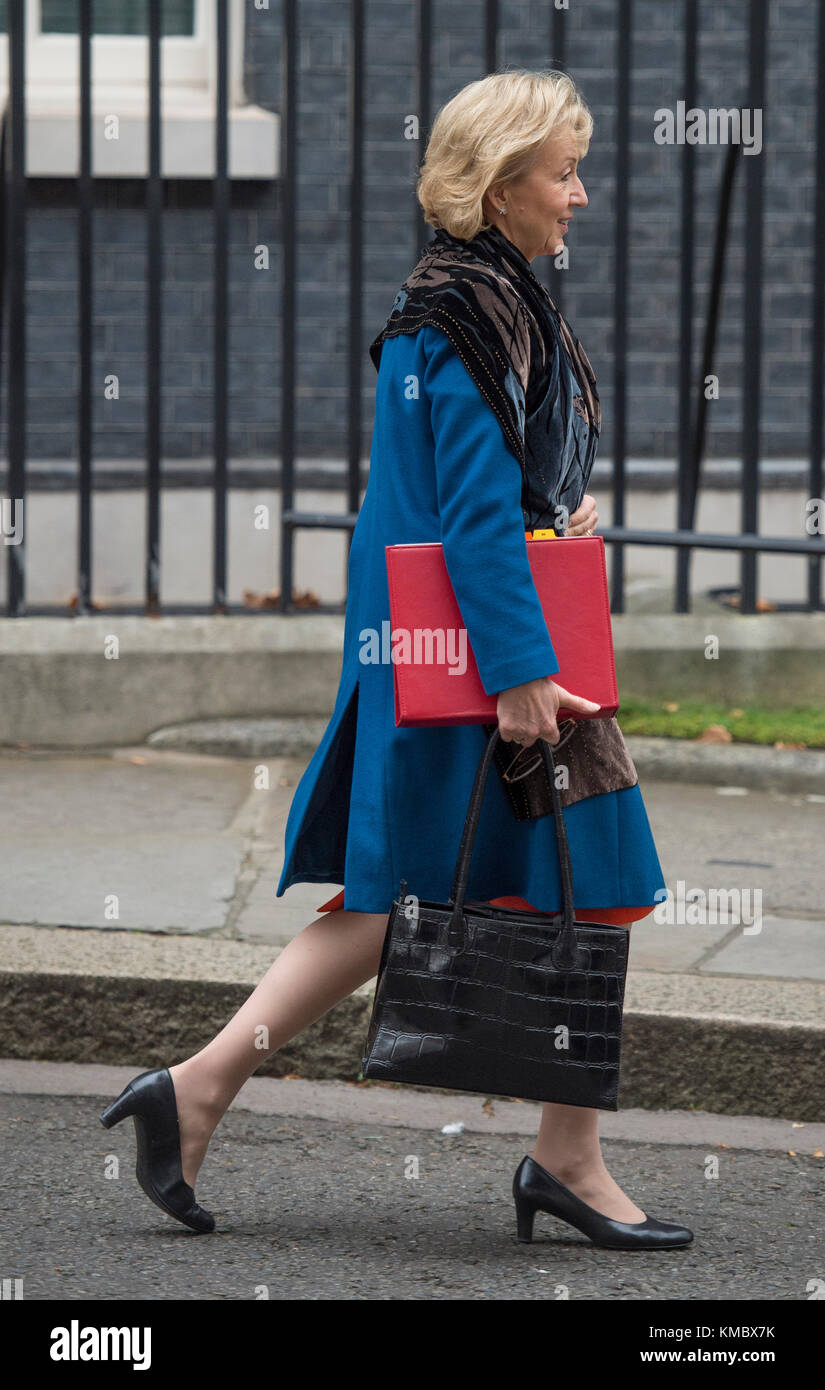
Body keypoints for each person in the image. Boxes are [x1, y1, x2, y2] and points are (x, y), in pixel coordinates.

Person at [98, 69, 692, 1252]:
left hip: (457, 644)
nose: (581, 194)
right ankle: (554, 1155)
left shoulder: (485, 299)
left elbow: (486, 496)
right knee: (547, 875)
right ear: (498, 183)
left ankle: (203, 1090)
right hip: (478, 657)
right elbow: (464, 517)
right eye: (562, 171)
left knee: (425, 893)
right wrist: (521, 666)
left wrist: (554, 520)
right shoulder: (461, 312)